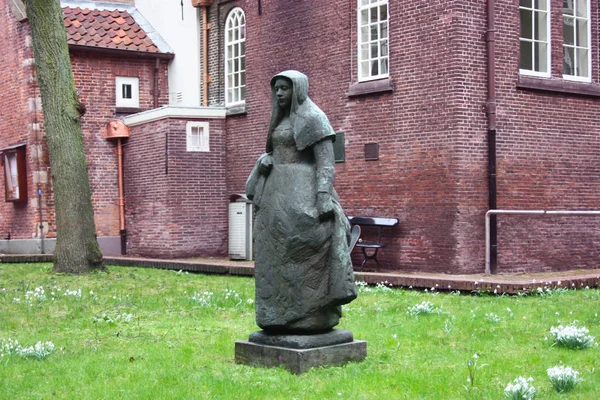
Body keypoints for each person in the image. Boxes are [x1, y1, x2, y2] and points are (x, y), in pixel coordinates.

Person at [246, 70, 357, 334]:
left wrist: (322, 197)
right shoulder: (280, 119)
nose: (280, 94)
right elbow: (273, 150)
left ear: (298, 88)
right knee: (275, 255)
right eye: (277, 89)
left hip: (303, 196)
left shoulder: (314, 118)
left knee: (303, 253)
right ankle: (275, 314)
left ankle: (310, 315)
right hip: (275, 197)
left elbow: (326, 162)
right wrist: (264, 161)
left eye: (285, 88)